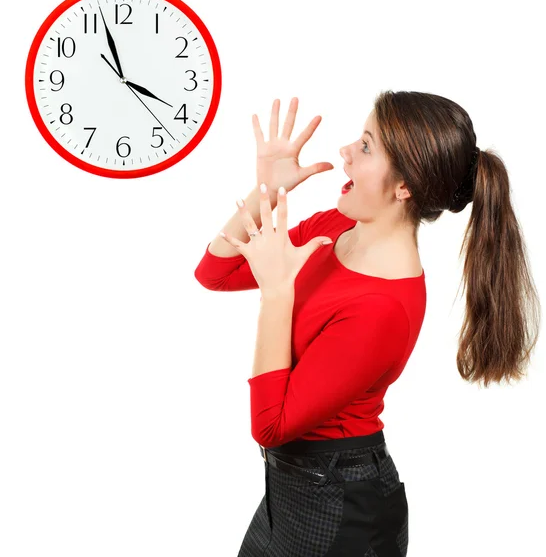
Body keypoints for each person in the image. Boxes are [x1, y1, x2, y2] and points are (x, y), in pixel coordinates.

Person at [193, 94, 541, 556]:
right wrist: (266, 193)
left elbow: (270, 424)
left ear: (404, 187)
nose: (345, 153)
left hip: (341, 509)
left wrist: (278, 295)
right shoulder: (338, 226)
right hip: (288, 494)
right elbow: (215, 273)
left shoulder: (385, 307)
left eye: (367, 146)